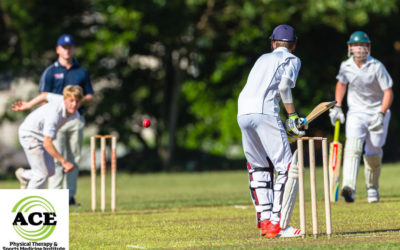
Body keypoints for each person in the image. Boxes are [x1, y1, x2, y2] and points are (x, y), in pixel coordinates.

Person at [237, 24, 306, 238]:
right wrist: (293, 117)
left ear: (273, 43)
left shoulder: (262, 59)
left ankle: (265, 220)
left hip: (243, 112)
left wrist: (287, 122)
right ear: (293, 44)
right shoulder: (292, 59)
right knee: (287, 167)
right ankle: (278, 224)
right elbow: (284, 87)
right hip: (264, 111)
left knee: (258, 167)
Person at [329, 31, 393, 203]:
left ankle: (372, 188)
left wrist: (381, 114)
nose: (359, 49)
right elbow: (341, 84)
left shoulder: (377, 66)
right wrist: (337, 106)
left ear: (368, 47)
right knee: (352, 147)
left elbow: (388, 92)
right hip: (356, 112)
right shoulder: (346, 66)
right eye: (356, 45)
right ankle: (348, 187)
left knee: (373, 151)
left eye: (363, 45)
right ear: (350, 47)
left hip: (377, 112)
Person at [40, 34, 94, 206]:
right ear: (58, 49)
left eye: (70, 46)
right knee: (56, 158)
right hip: (56, 120)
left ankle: (69, 196)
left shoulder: (81, 71)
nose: (67, 49)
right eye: (64, 47)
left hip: (75, 119)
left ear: (73, 48)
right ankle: (55, 197)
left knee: (74, 158)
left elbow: (90, 95)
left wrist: (76, 103)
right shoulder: (51, 71)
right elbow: (43, 96)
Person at [13, 85, 84, 189]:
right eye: (71, 101)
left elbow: (45, 96)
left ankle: (24, 175)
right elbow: (47, 143)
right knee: (41, 175)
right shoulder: (54, 115)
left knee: (50, 171)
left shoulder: (60, 99)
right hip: (29, 135)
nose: (74, 104)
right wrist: (64, 162)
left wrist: (29, 105)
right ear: (65, 99)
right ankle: (27, 203)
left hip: (40, 136)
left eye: (77, 101)